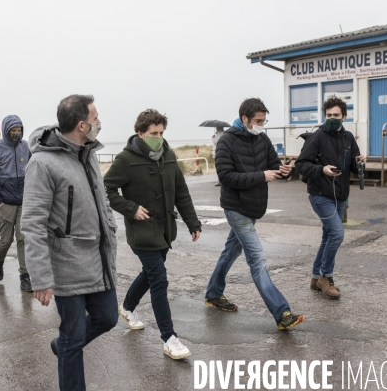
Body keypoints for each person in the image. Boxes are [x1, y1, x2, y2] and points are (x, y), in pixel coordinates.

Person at [22, 95, 118, 391]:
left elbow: (99, 201)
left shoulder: (87, 152)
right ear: (81, 124)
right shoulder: (42, 163)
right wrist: (40, 278)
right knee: (74, 338)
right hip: (66, 264)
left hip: (99, 259)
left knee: (108, 318)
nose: (99, 122)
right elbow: (33, 223)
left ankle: (62, 343)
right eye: (95, 117)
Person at [104, 109, 202, 360]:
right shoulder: (125, 159)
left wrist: (192, 222)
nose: (158, 137)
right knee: (159, 279)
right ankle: (169, 338)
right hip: (142, 232)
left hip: (165, 230)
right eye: (153, 133)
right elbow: (106, 189)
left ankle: (127, 307)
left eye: (161, 132)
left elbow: (181, 191)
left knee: (149, 275)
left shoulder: (169, 155)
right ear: (140, 133)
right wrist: (130, 208)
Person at [204, 98, 304, 331]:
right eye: (258, 121)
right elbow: (226, 177)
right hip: (236, 208)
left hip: (254, 208)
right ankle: (282, 313)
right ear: (245, 119)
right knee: (257, 259)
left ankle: (213, 293)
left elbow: (272, 165)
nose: (262, 124)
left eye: (264, 120)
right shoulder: (226, 142)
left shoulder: (262, 137)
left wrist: (284, 171)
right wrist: (261, 176)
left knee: (230, 252)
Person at [295, 97, 366, 299]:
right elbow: (301, 164)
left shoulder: (349, 138)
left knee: (328, 236)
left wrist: (360, 162)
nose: (332, 119)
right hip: (320, 195)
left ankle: (315, 277)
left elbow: (353, 166)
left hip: (340, 196)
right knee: (337, 234)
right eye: (328, 115)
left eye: (336, 115)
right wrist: (321, 169)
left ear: (344, 116)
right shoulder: (317, 137)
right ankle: (326, 277)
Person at [0, 115, 32, 292]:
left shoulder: (26, 147)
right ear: (6, 130)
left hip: (24, 202)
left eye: (19, 130)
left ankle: (24, 277)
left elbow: (34, 170)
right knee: (6, 240)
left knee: (23, 238)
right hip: (5, 203)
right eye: (13, 130)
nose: (16, 133)